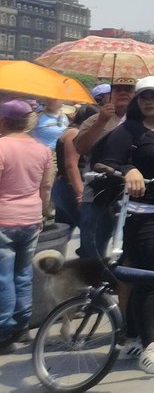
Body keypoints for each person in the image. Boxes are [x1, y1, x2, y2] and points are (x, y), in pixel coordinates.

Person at [90, 77, 154, 374]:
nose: (148, 101)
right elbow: (102, 161)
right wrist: (128, 168)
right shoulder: (126, 131)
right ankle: (149, 348)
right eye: (143, 96)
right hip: (141, 214)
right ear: (136, 100)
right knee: (147, 279)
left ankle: (133, 336)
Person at [0, 100, 53, 354]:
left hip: (3, 219)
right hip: (31, 217)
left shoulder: (1, 147)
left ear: (3, 121)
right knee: (23, 275)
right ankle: (23, 326)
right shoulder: (41, 149)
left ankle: (3, 331)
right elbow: (46, 186)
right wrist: (43, 211)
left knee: (3, 277)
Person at [73, 76, 137, 260]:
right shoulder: (95, 119)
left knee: (128, 242)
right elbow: (81, 148)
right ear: (111, 95)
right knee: (92, 239)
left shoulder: (141, 121)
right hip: (95, 187)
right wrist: (101, 122)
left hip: (129, 188)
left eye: (128, 90)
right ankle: (91, 280)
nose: (123, 93)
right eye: (118, 90)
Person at [50, 104, 99, 235]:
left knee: (62, 231)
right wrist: (80, 194)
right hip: (71, 187)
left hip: (64, 186)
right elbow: (71, 165)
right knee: (90, 231)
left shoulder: (70, 131)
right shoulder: (75, 133)